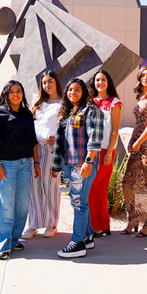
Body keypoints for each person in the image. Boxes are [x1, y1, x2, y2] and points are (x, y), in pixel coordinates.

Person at [51, 78, 104, 258]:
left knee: (78, 204)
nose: (73, 93)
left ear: (84, 92)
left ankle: (78, 243)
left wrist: (88, 162)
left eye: (77, 90)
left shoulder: (92, 110)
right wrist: (57, 165)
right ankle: (88, 237)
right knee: (81, 201)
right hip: (68, 164)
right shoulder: (68, 112)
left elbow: (95, 139)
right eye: (70, 90)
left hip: (82, 164)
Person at [0, 80, 40, 260]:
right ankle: (0, 247)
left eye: (19, 91)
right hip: (5, 164)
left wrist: (36, 162)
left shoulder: (26, 113)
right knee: (5, 206)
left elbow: (33, 140)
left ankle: (12, 239)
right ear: (6, 94)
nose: (15, 94)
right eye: (12, 92)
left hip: (25, 164)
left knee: (22, 207)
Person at [121, 65, 147, 237]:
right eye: (143, 75)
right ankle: (134, 218)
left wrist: (138, 142)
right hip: (137, 144)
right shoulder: (141, 97)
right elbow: (139, 122)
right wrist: (132, 141)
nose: (145, 77)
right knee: (129, 182)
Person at [22, 71, 63, 240]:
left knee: (51, 187)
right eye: (44, 83)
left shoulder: (62, 103)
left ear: (56, 82)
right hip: (35, 148)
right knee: (34, 187)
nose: (47, 85)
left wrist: (59, 138)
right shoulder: (37, 103)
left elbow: (66, 126)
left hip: (52, 148)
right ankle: (33, 225)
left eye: (50, 82)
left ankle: (51, 224)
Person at [87, 69, 122, 238]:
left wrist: (109, 152)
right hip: (90, 150)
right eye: (97, 80)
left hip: (105, 150)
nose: (100, 83)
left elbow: (115, 129)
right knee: (90, 188)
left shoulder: (114, 102)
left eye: (103, 80)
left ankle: (100, 226)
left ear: (108, 82)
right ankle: (98, 225)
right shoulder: (90, 102)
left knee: (98, 187)